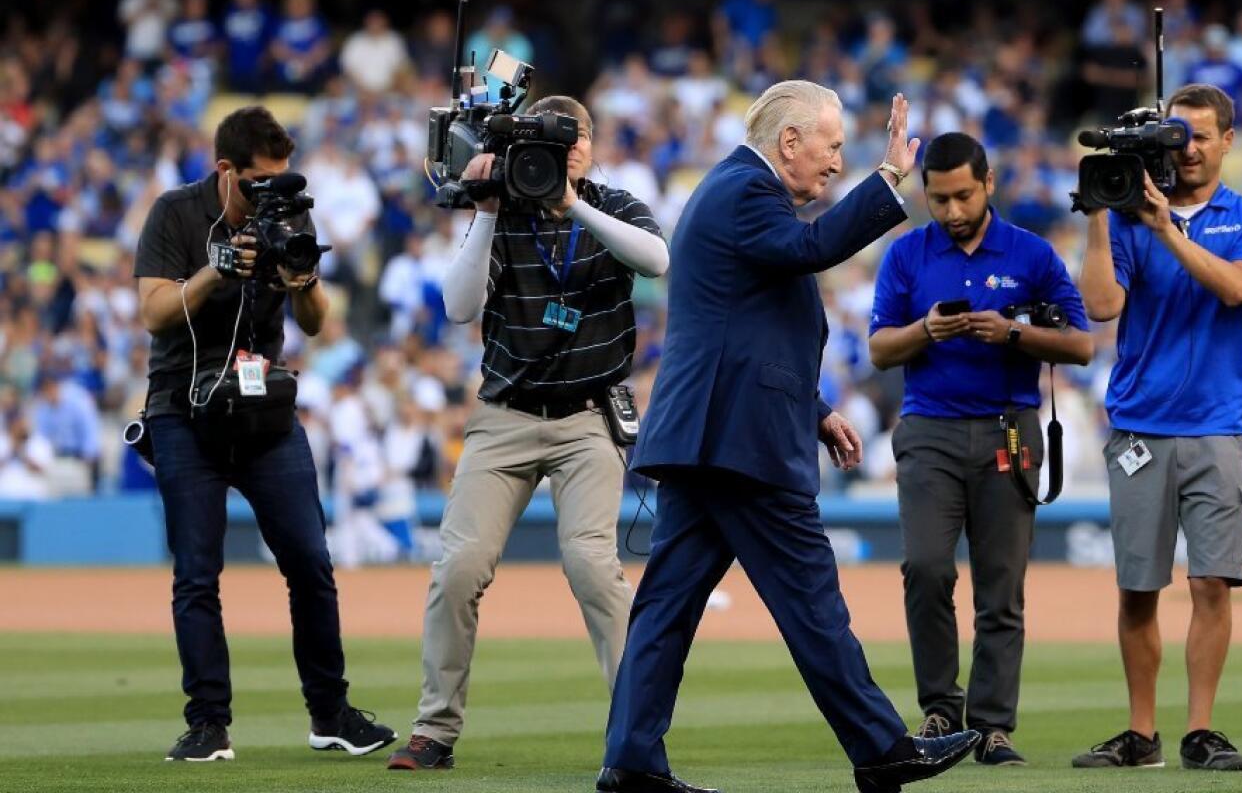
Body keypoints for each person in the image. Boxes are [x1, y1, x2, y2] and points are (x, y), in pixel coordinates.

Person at [597, 83, 980, 793]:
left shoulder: (734, 192)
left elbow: (745, 331)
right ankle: (879, 747)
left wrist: (815, 410)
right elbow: (812, 248)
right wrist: (889, 177)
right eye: (832, 147)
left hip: (713, 434)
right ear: (790, 143)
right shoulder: (746, 192)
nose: (839, 161)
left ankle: (630, 760)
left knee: (665, 609)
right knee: (809, 597)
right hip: (741, 442)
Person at [388, 96, 669, 771]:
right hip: (506, 414)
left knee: (592, 566)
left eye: (575, 140)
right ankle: (435, 729)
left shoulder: (612, 203)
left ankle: (634, 733)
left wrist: (575, 207)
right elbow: (458, 309)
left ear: (593, 146)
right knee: (457, 568)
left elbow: (657, 260)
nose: (566, 151)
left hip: (586, 417)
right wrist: (485, 210)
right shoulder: (503, 209)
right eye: (551, 141)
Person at [133, 106, 395, 763]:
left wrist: (302, 280)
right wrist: (216, 270)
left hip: (265, 413)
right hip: (183, 409)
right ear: (225, 171)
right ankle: (208, 724)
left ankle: (330, 714)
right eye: (259, 181)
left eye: (282, 179)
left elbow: (313, 322)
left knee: (310, 561)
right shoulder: (175, 213)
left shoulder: (290, 215)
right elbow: (154, 312)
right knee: (197, 571)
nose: (273, 193)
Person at [868, 132, 1094, 766]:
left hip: (1009, 429)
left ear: (989, 184)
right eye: (938, 198)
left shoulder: (1032, 254)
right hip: (930, 430)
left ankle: (994, 726)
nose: (952, 210)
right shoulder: (906, 254)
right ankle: (942, 708)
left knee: (1002, 585)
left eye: (963, 195)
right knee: (926, 568)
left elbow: (1081, 344)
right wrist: (926, 330)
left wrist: (1013, 333)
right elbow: (881, 348)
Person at [1074, 83, 1242, 772]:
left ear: (1227, 139)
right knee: (1137, 585)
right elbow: (1101, 306)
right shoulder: (1131, 221)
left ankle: (1199, 730)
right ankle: (1140, 734)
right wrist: (1102, 212)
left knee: (1212, 582)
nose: (1185, 149)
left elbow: (1234, 288)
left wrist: (1168, 227)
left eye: (1197, 135)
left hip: (1216, 426)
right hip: (1139, 424)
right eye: (1175, 135)